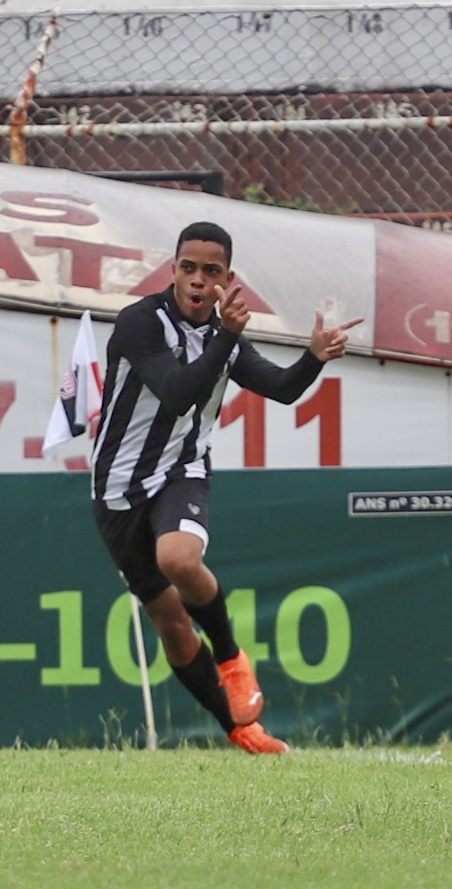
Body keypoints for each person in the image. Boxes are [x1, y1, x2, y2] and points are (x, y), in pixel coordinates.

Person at [91, 221, 362, 754]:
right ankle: (238, 727)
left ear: (227, 279)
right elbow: (174, 392)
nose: (197, 279)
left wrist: (312, 357)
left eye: (210, 271)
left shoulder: (224, 339)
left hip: (181, 470)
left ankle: (232, 657)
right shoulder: (140, 322)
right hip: (117, 485)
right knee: (170, 621)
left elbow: (282, 389)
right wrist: (228, 338)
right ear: (172, 270)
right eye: (188, 267)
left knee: (179, 559)